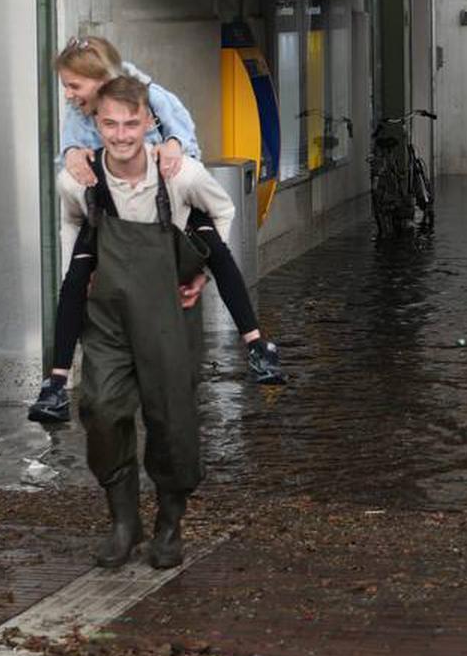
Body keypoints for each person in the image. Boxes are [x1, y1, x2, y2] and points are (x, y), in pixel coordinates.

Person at [27, 36, 284, 432]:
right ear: (99, 123)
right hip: (112, 206)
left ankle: (255, 344)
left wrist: (175, 146)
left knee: (213, 245)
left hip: (168, 196)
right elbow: (69, 158)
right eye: (110, 125)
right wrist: (74, 157)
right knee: (76, 276)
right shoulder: (78, 119)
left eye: (74, 85)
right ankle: (57, 382)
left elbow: (184, 136)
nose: (68, 93)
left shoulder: (149, 100)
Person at [58, 75, 233, 568]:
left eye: (130, 123)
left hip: (167, 311)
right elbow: (71, 219)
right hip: (108, 313)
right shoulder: (79, 178)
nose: (120, 134)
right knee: (100, 406)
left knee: (171, 417)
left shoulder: (179, 174)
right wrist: (79, 269)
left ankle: (170, 524)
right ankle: (123, 520)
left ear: (149, 123)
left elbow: (223, 211)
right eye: (109, 124)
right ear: (96, 124)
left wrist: (199, 272)